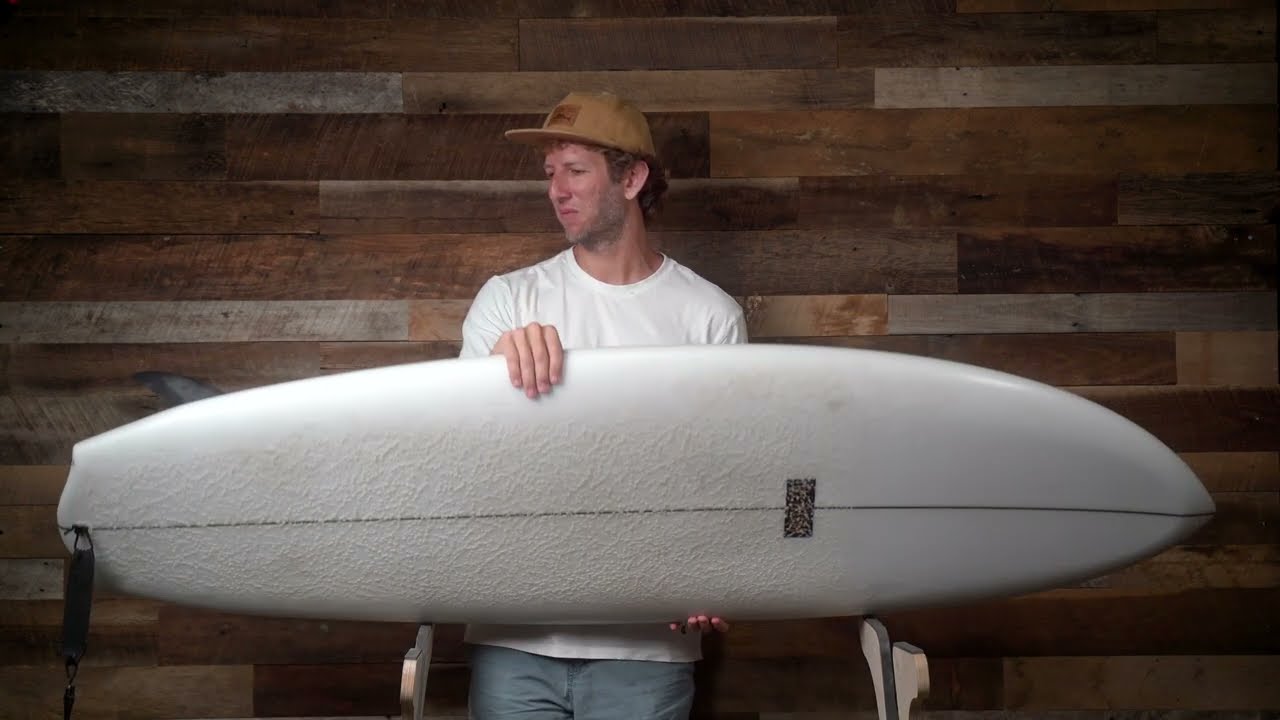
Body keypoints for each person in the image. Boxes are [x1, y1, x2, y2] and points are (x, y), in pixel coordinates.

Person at [457, 90, 748, 719]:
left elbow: (724, 475)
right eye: (550, 172)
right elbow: (463, 463)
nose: (556, 190)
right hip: (515, 642)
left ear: (632, 179)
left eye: (575, 170)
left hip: (648, 653)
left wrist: (714, 574)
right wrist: (490, 377)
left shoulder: (710, 317)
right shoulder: (506, 302)